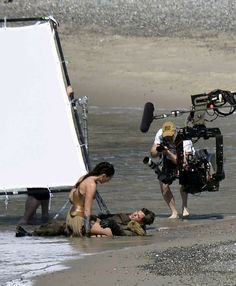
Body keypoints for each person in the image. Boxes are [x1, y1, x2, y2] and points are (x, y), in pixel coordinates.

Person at [150, 121, 194, 219]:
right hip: (168, 158)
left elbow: (181, 162)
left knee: (184, 181)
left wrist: (168, 153)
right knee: (163, 183)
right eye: (166, 136)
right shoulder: (161, 134)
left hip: (184, 159)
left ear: (175, 132)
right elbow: (152, 153)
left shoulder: (185, 139)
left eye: (170, 136)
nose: (168, 138)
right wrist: (157, 149)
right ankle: (174, 212)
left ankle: (184, 207)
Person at [15, 208, 155, 237]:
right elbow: (109, 217)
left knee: (63, 226)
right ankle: (33, 233)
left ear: (141, 222)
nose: (134, 214)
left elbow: (123, 234)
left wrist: (112, 225)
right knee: (62, 224)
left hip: (90, 229)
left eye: (137, 216)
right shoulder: (126, 216)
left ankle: (30, 235)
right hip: (93, 223)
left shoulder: (135, 229)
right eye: (136, 212)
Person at [66, 161, 115, 237]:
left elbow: (70, 197)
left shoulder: (84, 177)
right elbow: (87, 210)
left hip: (70, 216)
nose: (108, 181)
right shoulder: (91, 185)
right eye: (109, 178)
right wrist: (87, 230)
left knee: (100, 224)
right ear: (104, 176)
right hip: (79, 220)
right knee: (109, 232)